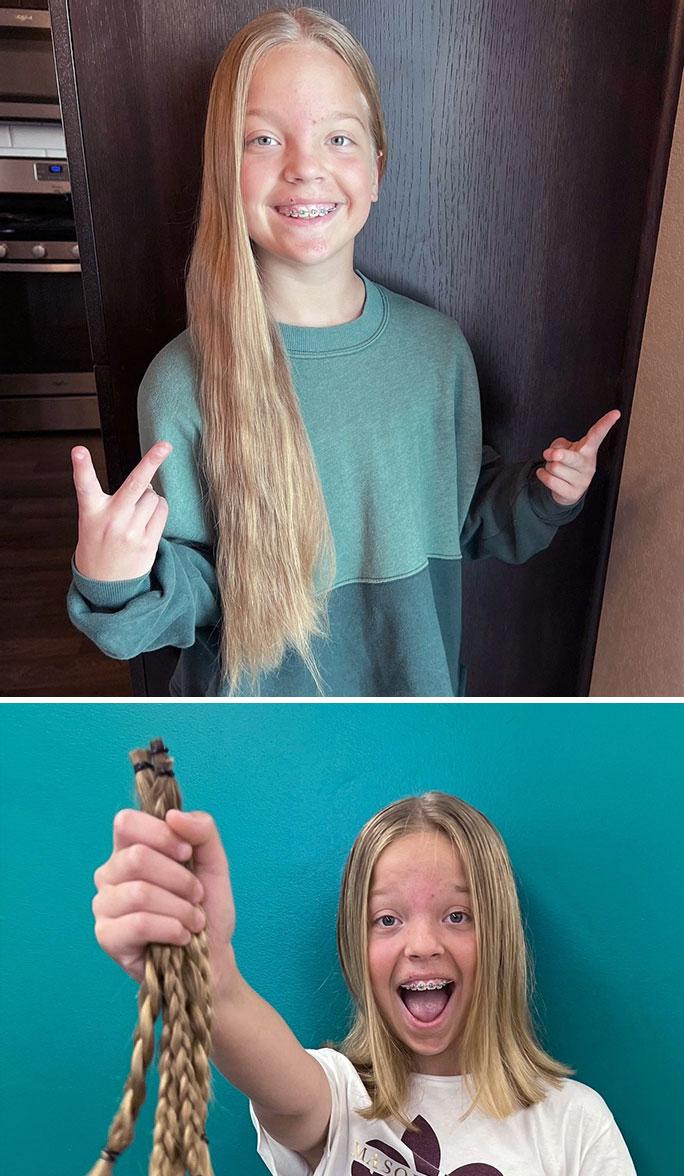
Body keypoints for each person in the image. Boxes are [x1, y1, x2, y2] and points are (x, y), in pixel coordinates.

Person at [66, 6, 620, 698]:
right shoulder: (181, 383)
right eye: (264, 138)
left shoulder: (437, 354)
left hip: (413, 719)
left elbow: (463, 513)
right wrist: (114, 579)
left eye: (337, 137)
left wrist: (542, 494)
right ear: (224, 170)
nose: (305, 167)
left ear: (376, 168)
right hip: (260, 741)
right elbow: (195, 588)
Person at [93, 789, 662, 1176]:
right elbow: (283, 1088)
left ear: (499, 935)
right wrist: (213, 982)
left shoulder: (576, 1124)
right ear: (356, 948)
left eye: (457, 915)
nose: (422, 945)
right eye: (387, 919)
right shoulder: (346, 1095)